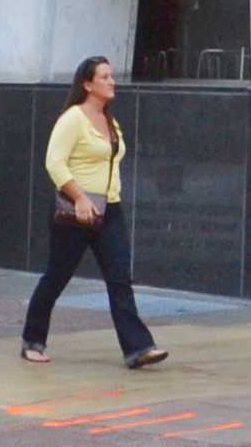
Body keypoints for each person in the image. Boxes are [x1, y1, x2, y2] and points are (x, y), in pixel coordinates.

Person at [21, 54, 162, 369]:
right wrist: (80, 198)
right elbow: (54, 162)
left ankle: (138, 348)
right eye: (104, 77)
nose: (112, 82)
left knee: (119, 278)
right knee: (57, 276)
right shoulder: (74, 118)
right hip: (76, 212)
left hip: (108, 210)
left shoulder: (109, 120)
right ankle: (32, 339)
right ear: (87, 84)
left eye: (112, 77)